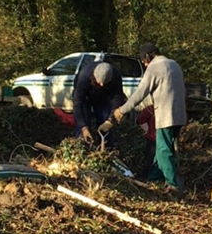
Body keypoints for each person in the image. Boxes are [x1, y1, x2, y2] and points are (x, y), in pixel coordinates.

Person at [104, 43, 185, 192]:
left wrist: (121, 110)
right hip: (179, 115)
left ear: (148, 56)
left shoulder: (155, 67)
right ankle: (153, 179)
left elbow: (140, 93)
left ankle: (173, 187)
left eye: (143, 60)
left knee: (163, 151)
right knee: (163, 148)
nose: (144, 64)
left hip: (166, 116)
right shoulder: (174, 64)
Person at [71, 55, 124, 150]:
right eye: (99, 82)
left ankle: (106, 151)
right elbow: (77, 104)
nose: (102, 84)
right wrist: (84, 127)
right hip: (85, 99)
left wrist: (110, 120)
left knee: (104, 123)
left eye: (105, 82)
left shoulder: (115, 75)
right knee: (83, 125)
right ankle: (81, 149)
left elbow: (118, 97)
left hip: (103, 98)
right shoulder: (83, 76)